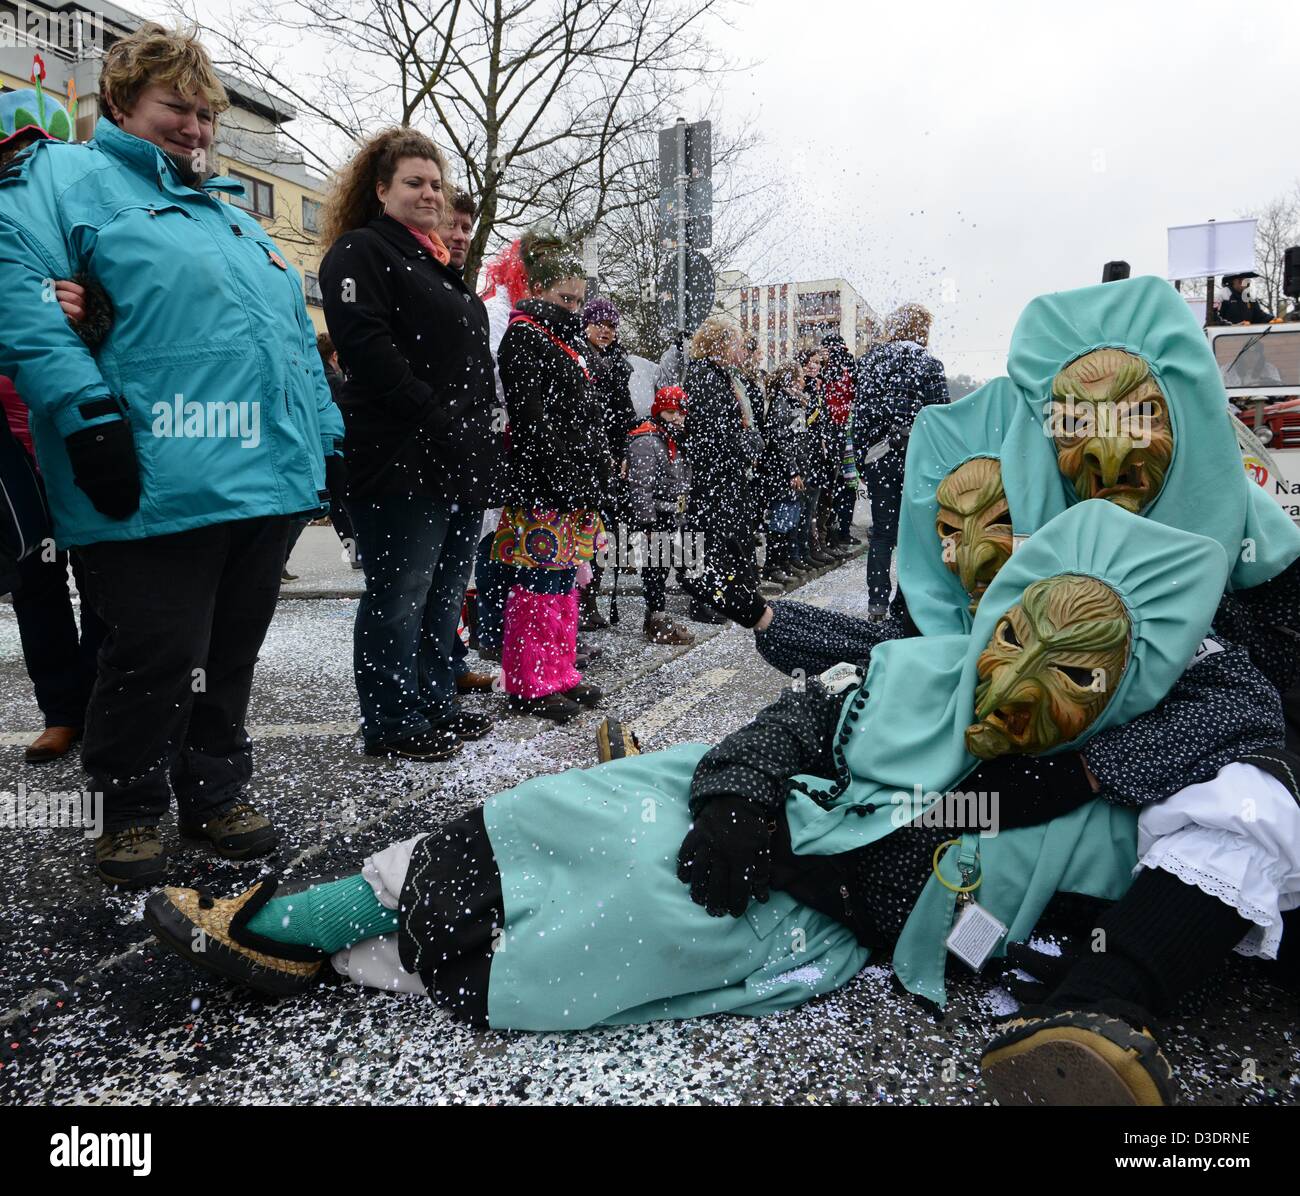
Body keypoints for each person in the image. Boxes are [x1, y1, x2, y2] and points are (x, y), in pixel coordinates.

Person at [144, 502, 1233, 1065]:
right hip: (747, 804)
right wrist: (739, 800)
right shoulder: (926, 666)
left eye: (1075, 671)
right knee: (555, 811)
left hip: (811, 910)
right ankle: (290, 926)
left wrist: (816, 860)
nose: (1021, 677)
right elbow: (810, 707)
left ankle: (357, 955)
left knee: (628, 905)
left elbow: (946, 889)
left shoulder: (1081, 796)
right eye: (1015, 638)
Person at [0, 24, 345, 887]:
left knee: (227, 650)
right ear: (119, 103)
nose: (195, 129)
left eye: (205, 114)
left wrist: (327, 443)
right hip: (154, 471)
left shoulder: (228, 217)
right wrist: (88, 420)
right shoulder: (59, 177)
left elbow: (290, 345)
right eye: (175, 110)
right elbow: (27, 299)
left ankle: (215, 788)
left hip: (261, 478)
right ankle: (126, 805)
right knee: (154, 648)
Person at [319, 129, 499, 762]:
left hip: (459, 464)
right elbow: (366, 348)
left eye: (435, 183)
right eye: (414, 183)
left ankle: (435, 702)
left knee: (444, 596)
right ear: (381, 190)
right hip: (401, 462)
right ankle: (393, 720)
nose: (428, 193)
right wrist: (436, 415)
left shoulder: (439, 265)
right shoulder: (361, 251)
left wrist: (477, 436)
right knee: (400, 597)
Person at [0, 76, 111, 765]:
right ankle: (62, 708)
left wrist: (90, 304)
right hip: (10, 441)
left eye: (35, 153)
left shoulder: (77, 214)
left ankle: (102, 699)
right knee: (34, 574)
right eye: (12, 154)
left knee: (103, 569)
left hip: (76, 421)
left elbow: (125, 307)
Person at [491, 227, 610, 722]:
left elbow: (582, 416)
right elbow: (535, 423)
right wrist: (564, 476)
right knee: (537, 586)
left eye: (579, 300)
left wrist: (596, 466)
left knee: (563, 584)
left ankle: (558, 671)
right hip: (545, 486)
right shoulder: (524, 337)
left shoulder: (563, 342)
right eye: (565, 297)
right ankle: (528, 681)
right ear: (535, 289)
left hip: (570, 485)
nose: (573, 308)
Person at [436, 190, 497, 696]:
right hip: (425, 458)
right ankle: (411, 697)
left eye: (465, 228)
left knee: (453, 581)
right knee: (414, 589)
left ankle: (448, 667)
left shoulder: (462, 292)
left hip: (467, 461)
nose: (459, 236)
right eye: (450, 225)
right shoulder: (411, 280)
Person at [854, 303, 949, 619]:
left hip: (879, 457)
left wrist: (862, 461)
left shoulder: (870, 362)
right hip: (917, 459)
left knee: (882, 533)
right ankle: (907, 603)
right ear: (922, 329)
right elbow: (940, 418)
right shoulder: (928, 363)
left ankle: (877, 603)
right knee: (915, 534)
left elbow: (861, 416)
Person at [681, 317, 753, 625]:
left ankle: (716, 595)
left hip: (722, 472)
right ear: (720, 346)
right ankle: (701, 600)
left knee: (718, 537)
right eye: (736, 343)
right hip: (711, 473)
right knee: (705, 537)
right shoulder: (705, 376)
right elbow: (710, 431)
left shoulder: (719, 375)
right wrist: (740, 443)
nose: (741, 349)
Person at [580, 297, 636, 632]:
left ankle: (591, 598)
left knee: (604, 534)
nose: (606, 331)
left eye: (611, 325)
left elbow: (625, 414)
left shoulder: (618, 361)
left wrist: (624, 453)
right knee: (585, 532)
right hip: (587, 457)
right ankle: (581, 602)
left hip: (610, 460)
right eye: (599, 324)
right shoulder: (579, 356)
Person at [626, 386, 694, 645]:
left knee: (662, 568)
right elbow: (640, 486)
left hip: (671, 513)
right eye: (670, 412)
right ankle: (657, 618)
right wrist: (647, 523)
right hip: (655, 517)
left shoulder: (674, 437)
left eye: (680, 413)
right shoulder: (647, 440)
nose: (677, 418)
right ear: (659, 412)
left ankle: (656, 616)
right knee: (653, 570)